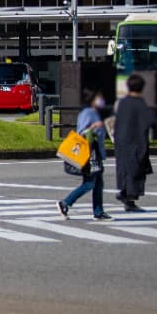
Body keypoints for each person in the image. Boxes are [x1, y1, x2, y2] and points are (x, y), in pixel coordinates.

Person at [110, 73, 157, 211]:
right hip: (136, 142)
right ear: (142, 88)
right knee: (136, 170)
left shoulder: (122, 102)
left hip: (121, 141)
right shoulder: (139, 103)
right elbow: (150, 121)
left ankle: (125, 194)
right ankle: (128, 198)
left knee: (125, 169)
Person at [58, 90, 110, 221]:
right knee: (89, 183)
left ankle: (98, 212)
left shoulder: (93, 112)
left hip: (95, 153)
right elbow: (82, 133)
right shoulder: (88, 112)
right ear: (92, 99)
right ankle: (65, 203)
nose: (101, 101)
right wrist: (94, 126)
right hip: (90, 154)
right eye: (99, 98)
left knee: (98, 183)